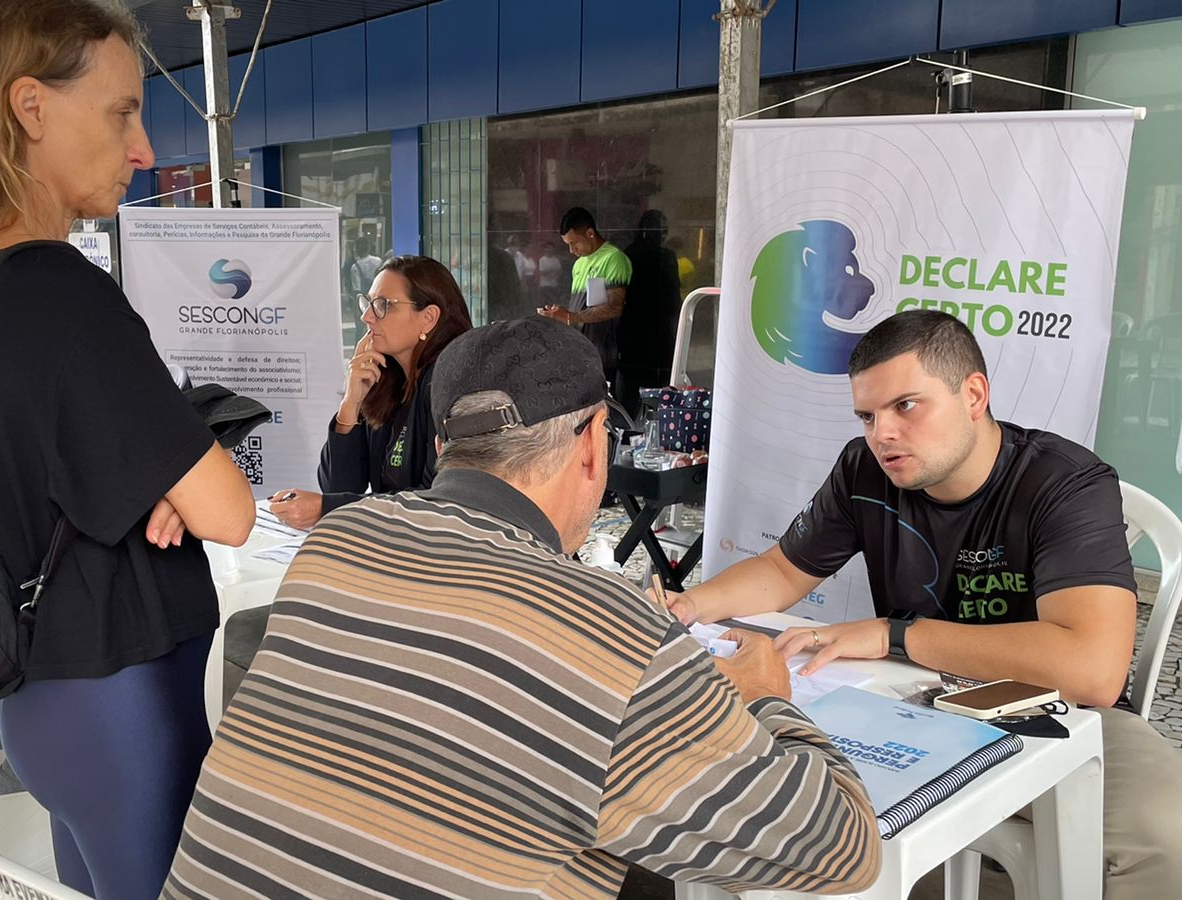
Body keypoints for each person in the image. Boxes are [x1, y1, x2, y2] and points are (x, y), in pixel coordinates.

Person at [164, 315, 881, 900]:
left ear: (443, 445)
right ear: (595, 445)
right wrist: (762, 701)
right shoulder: (616, 635)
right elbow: (844, 852)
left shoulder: (340, 540)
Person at [663, 310, 1182, 900]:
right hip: (900, 703)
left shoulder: (1066, 483)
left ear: (973, 395)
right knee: (735, 771)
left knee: (1181, 840)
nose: (881, 434)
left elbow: (1091, 670)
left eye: (906, 405)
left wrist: (896, 634)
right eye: (867, 415)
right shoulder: (864, 469)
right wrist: (686, 606)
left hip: (1046, 711)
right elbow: (784, 570)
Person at [0, 1, 256, 896]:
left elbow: (64, 461)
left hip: (42, 699)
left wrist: (162, 472)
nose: (143, 149)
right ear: (29, 106)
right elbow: (230, 513)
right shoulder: (60, 292)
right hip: (125, 695)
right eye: (121, 111)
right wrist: (178, 473)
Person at [267, 255, 472, 531]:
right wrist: (350, 404)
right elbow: (339, 486)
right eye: (368, 302)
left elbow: (436, 503)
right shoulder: (384, 376)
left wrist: (327, 508)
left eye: (383, 305)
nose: (366, 316)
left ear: (428, 318)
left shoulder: (449, 385)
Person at [539, 207, 630, 385]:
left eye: (574, 243)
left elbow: (615, 307)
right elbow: (578, 306)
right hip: (579, 349)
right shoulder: (578, 264)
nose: (572, 250)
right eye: (568, 245)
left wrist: (570, 317)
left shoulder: (613, 258)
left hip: (604, 351)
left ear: (590, 233)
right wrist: (559, 315)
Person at [618, 209, 681, 416]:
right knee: (649, 386)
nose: (661, 234)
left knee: (637, 388)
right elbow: (673, 297)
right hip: (650, 330)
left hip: (643, 329)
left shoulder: (630, 254)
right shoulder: (643, 256)